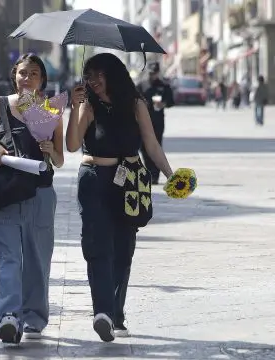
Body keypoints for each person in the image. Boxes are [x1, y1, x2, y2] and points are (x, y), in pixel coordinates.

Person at [66, 53, 173, 342]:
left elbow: (151, 143)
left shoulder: (136, 103)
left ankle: (116, 314)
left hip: (131, 181)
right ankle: (102, 312)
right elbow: (73, 144)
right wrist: (74, 110)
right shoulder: (87, 105)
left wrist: (170, 173)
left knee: (124, 249)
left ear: (114, 74)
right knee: (97, 244)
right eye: (89, 76)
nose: (94, 82)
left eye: (100, 75)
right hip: (94, 179)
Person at [0, 53, 64, 345]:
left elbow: (61, 158)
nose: (26, 78)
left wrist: (49, 148)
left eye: (33, 74)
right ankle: (7, 318)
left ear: (42, 79)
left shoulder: (51, 109)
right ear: (14, 75)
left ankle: (33, 316)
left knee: (37, 260)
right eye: (22, 73)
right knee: (9, 259)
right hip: (4, 191)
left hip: (40, 193)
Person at [137, 62, 174, 185]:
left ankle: (155, 175)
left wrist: (163, 104)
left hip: (158, 120)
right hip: (143, 120)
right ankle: (148, 171)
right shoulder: (142, 85)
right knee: (144, 147)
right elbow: (133, 99)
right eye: (151, 73)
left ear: (158, 73)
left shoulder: (163, 86)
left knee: (156, 145)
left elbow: (171, 101)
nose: (152, 75)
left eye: (155, 73)